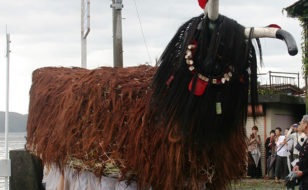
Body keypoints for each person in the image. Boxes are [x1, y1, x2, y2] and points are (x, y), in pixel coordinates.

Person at [293, 115, 308, 189]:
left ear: (306, 125)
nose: (299, 125)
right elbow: (302, 157)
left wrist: (303, 172)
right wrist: (298, 165)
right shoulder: (306, 139)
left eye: (301, 122)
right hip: (303, 180)